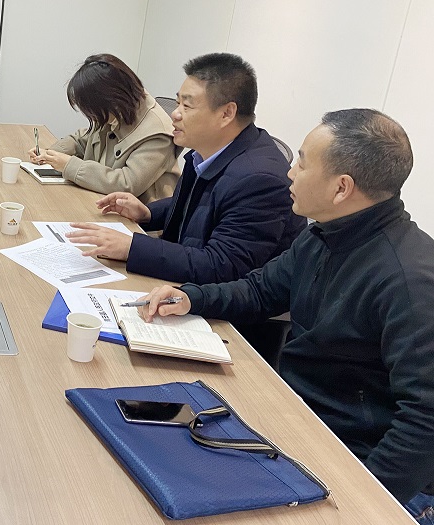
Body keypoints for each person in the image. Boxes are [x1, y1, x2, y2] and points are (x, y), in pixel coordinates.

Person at [138, 109, 434, 519]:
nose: (290, 173)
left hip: (357, 463)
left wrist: (360, 504)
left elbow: (424, 420)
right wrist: (192, 298)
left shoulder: (408, 280)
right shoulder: (325, 234)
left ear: (342, 188)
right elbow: (261, 290)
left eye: (303, 163)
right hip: (296, 421)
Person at [67, 52, 305, 284]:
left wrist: (132, 248)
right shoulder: (206, 152)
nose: (175, 114)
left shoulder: (258, 179)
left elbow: (221, 266)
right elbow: (202, 204)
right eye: (177, 102)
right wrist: (148, 214)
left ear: (226, 113)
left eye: (187, 106)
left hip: (222, 303)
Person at [26, 53, 179, 203]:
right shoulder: (119, 109)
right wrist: (50, 154)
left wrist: (69, 165)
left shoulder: (157, 133)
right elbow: (83, 139)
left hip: (139, 215)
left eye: (91, 110)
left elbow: (127, 184)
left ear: (111, 99)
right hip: (101, 199)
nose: (91, 116)